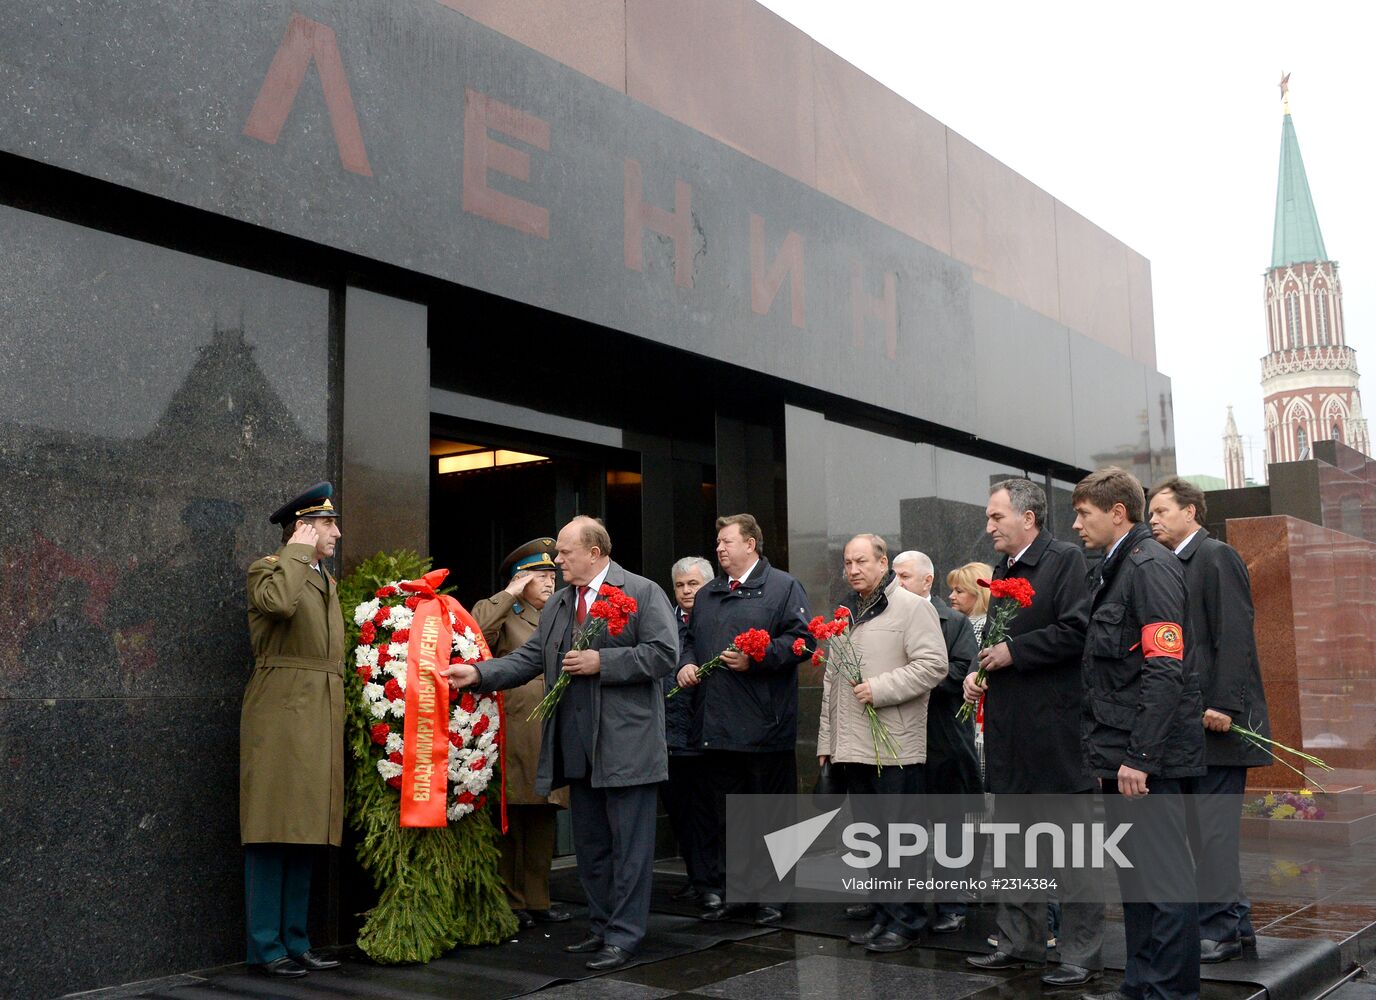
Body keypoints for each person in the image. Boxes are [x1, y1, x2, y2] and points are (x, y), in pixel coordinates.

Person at [445, 516, 678, 972]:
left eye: (565, 553)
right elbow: (531, 657)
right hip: (576, 745)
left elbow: (665, 654)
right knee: (592, 846)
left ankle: (625, 937)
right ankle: (601, 926)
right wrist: (478, 674)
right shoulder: (560, 604)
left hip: (627, 747)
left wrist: (601, 661)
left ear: (595, 553)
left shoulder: (643, 592)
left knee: (629, 847)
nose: (557, 561)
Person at [963, 478, 1103, 989]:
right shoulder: (1003, 571)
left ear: (1028, 517)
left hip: (1055, 735)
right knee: (1014, 850)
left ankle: (1080, 955)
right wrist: (982, 674)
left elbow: (1077, 628)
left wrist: (1013, 654)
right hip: (1010, 734)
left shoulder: (1064, 560)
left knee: (1071, 853)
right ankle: (1018, 942)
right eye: (988, 516)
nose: (989, 526)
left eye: (996, 517)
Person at [1073, 467, 1205, 1000]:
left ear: (1117, 513)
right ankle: (1140, 984)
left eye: (1084, 514)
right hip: (1121, 752)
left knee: (1165, 883)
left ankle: (1169, 991)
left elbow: (1163, 667)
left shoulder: (1150, 566)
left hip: (1147, 758)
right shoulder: (1116, 566)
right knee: (1136, 882)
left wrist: (1141, 756)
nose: (1077, 525)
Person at [1149, 476, 1270, 963]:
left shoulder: (1215, 556)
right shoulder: (1173, 564)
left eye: (1161, 511)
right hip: (1193, 722)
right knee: (1207, 829)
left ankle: (1217, 930)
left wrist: (1225, 704)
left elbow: (1235, 634)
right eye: (1150, 513)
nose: (1152, 520)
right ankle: (1236, 925)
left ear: (1191, 512)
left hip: (1218, 722)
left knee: (1213, 831)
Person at [674, 513, 810, 923]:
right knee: (727, 814)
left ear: (751, 544)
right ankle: (740, 890)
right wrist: (686, 663)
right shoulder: (711, 593)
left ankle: (773, 897)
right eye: (717, 542)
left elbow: (803, 642)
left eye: (727, 541)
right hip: (715, 726)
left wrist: (759, 657)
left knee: (770, 814)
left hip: (765, 726)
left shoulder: (783, 587)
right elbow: (690, 640)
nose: (719, 548)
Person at [820, 535, 948, 953]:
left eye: (861, 561)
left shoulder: (913, 607)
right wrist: (827, 739)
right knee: (872, 840)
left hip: (895, 746)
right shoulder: (845, 614)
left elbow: (934, 665)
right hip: (852, 746)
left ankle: (907, 922)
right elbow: (831, 682)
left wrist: (880, 688)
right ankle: (883, 915)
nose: (853, 569)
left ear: (883, 563)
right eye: (847, 563)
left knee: (900, 840)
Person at [239, 482, 345, 978]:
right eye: (327, 524)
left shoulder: (323, 579)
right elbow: (280, 605)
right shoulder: (270, 568)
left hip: (317, 711)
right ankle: (266, 945)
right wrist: (297, 551)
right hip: (282, 712)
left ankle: (296, 939)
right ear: (302, 528)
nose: (337, 533)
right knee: (270, 829)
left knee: (304, 830)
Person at [471, 537, 571, 930]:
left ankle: (538, 899)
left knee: (544, 816)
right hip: (516, 727)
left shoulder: (562, 612)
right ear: (519, 578)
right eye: (540, 575)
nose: (550, 582)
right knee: (512, 817)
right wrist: (507, 593)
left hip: (551, 725)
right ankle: (512, 902)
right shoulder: (505, 611)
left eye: (552, 574)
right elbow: (475, 631)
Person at [890, 550, 980, 934]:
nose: (897, 583)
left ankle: (951, 902)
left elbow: (962, 670)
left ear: (927, 581)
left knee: (948, 826)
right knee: (899, 825)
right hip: (896, 738)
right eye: (893, 575)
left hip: (942, 737)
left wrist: (907, 682)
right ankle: (894, 902)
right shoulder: (881, 618)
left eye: (905, 576)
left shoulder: (954, 621)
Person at [662, 556, 716, 903]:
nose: (685, 591)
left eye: (692, 584)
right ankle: (697, 878)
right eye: (680, 585)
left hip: (708, 735)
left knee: (707, 814)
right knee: (680, 812)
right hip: (669, 736)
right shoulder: (664, 619)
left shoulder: (716, 617)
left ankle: (713, 883)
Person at [946, 562, 992, 641]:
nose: (951, 596)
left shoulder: (982, 626)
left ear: (978, 594)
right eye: (952, 590)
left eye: (959, 591)